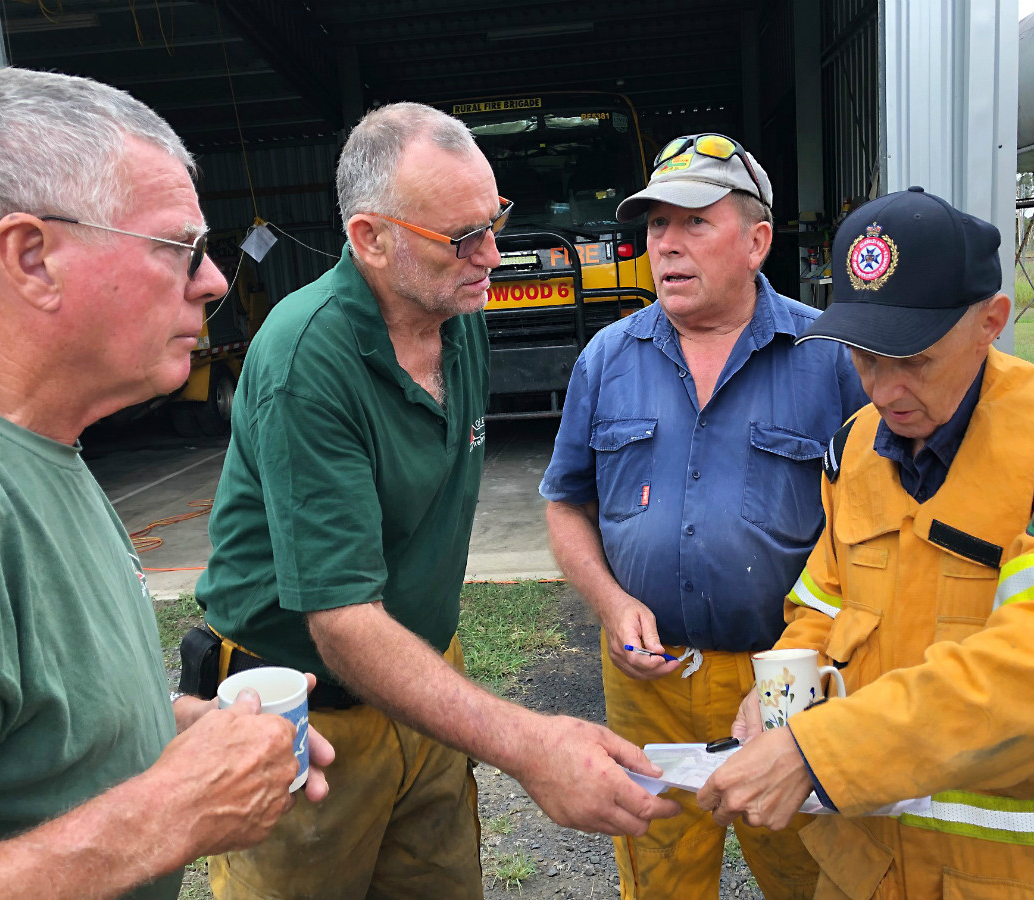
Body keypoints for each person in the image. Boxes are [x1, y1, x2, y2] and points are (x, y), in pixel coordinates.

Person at [194, 101, 680, 900]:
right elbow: (343, 624)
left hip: (425, 690)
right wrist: (528, 745)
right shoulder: (306, 357)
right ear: (370, 239)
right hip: (309, 723)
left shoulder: (458, 314)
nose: (493, 254)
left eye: (494, 221)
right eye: (463, 238)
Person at [699, 187, 1034, 898]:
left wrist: (819, 752)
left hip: (1031, 878)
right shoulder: (854, 449)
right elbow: (821, 607)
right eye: (863, 358)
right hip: (871, 869)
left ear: (990, 322)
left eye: (912, 358)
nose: (883, 390)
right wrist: (779, 699)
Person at [0, 67, 333, 900]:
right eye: (181, 247)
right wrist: (163, 813)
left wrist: (170, 729)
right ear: (32, 258)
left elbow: (31, 728)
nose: (213, 281)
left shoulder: (45, 444)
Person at [539, 133, 867, 899]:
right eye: (656, 226)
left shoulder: (831, 357)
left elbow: (873, 523)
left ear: (756, 241)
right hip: (647, 689)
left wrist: (816, 655)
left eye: (694, 222)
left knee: (812, 875)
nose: (667, 246)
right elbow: (566, 501)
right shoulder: (607, 358)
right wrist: (613, 603)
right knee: (659, 880)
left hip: (787, 679)